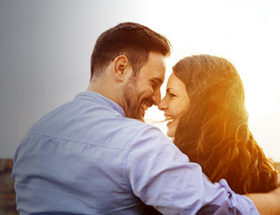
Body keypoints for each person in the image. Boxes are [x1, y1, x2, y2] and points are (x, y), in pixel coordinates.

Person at [12, 22, 280, 214]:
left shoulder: (33, 136)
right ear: (121, 68)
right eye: (154, 83)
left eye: (167, 92)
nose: (156, 99)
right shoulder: (137, 141)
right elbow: (214, 209)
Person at [159, 54, 279, 195]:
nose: (161, 104)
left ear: (202, 104)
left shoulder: (178, 170)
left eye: (172, 95)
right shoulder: (259, 173)